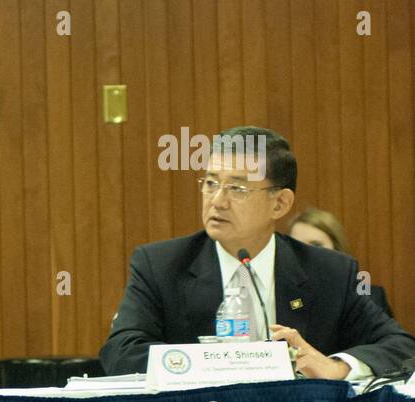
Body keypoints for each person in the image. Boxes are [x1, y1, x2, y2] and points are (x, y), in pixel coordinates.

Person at [100, 126, 415, 379]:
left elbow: (402, 347)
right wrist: (225, 363)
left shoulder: (329, 273)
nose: (217, 201)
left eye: (237, 189)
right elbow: (121, 352)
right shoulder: (161, 265)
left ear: (279, 203)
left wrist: (336, 366)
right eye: (210, 183)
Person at [287, 208, 393, 318]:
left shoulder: (369, 298)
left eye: (316, 245)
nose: (306, 253)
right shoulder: (283, 297)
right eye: (298, 246)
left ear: (336, 249)